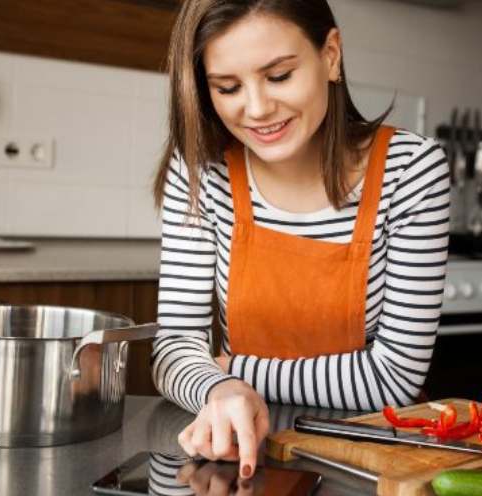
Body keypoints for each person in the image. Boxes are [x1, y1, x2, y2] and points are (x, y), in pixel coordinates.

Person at [150, 0, 450, 480]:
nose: (256, 108)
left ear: (330, 56)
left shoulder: (410, 170)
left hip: (367, 461)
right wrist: (222, 391)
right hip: (240, 452)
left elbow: (393, 379)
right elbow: (173, 349)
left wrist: (235, 370)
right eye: (227, 87)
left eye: (279, 76)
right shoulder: (200, 169)